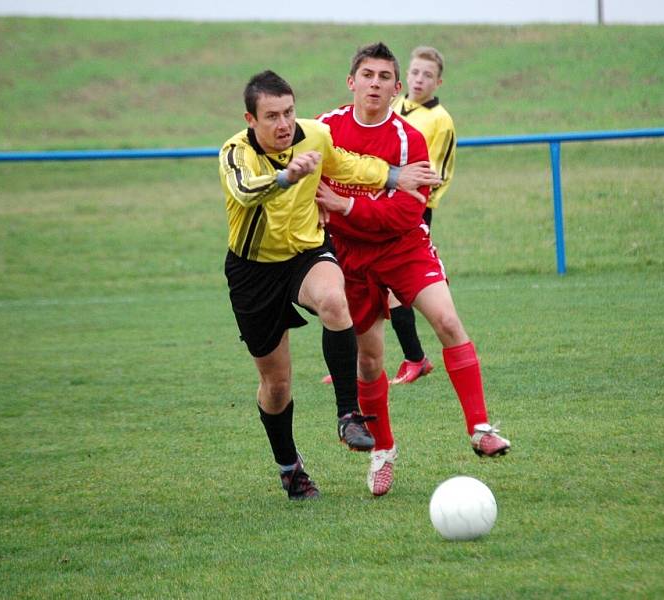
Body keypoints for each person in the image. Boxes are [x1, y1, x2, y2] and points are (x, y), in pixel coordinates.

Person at [218, 70, 440, 500]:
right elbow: (245, 191)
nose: (284, 125)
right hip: (253, 270)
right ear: (250, 119)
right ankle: (290, 468)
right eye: (271, 117)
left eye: (289, 112)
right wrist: (287, 177)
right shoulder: (234, 152)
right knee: (277, 384)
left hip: (305, 254)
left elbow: (348, 165)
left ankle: (348, 414)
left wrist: (397, 177)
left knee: (335, 301)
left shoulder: (315, 135)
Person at [315, 43, 509, 498]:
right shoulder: (325, 130)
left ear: (397, 88)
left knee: (447, 320)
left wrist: (345, 205)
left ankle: (480, 429)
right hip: (349, 256)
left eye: (385, 77)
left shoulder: (409, 139)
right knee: (369, 360)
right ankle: (383, 453)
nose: (375, 84)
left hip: (404, 247)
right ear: (352, 82)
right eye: (367, 75)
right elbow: (311, 181)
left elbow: (405, 215)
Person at [385, 45, 457, 385]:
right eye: (414, 72)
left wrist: (419, 210)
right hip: (381, 204)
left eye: (427, 75)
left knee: (395, 285)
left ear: (438, 82)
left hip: (413, 210)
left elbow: (437, 173)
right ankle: (355, 362)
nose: (419, 79)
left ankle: (415, 358)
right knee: (362, 280)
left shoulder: (440, 121)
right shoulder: (394, 106)